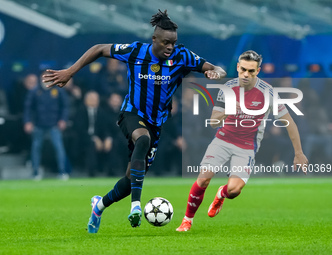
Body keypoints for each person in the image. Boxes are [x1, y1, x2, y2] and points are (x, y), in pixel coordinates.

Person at [42, 9, 226, 231]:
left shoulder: (182, 56)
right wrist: (70, 71)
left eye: (173, 43)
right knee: (142, 140)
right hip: (131, 113)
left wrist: (215, 72)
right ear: (154, 39)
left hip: (157, 123)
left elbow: (215, 68)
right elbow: (99, 49)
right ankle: (136, 207)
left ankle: (98, 205)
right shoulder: (135, 51)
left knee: (130, 181)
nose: (170, 47)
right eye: (166, 42)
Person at [176, 50, 308, 232]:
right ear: (238, 67)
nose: (246, 74)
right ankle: (187, 220)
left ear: (258, 71)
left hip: (246, 147)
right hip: (222, 140)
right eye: (243, 69)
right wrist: (228, 111)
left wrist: (299, 153)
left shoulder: (268, 92)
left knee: (234, 191)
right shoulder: (228, 89)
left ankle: (221, 193)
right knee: (203, 179)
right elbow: (214, 121)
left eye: (251, 71)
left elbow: (289, 123)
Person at [24, 71, 69, 180]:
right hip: (38, 125)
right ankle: (35, 173)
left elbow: (65, 106)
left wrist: (63, 120)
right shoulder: (34, 91)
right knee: (36, 148)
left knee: (58, 148)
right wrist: (27, 121)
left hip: (54, 124)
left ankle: (62, 172)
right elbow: (28, 108)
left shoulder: (58, 90)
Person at [72, 91, 112, 177]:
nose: (94, 101)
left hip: (98, 138)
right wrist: (94, 138)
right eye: (91, 99)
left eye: (96, 99)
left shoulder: (102, 112)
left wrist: (108, 138)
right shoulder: (80, 111)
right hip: (83, 139)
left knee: (111, 144)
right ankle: (92, 172)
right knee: (91, 145)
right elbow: (80, 129)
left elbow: (105, 128)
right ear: (85, 100)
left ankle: (112, 172)